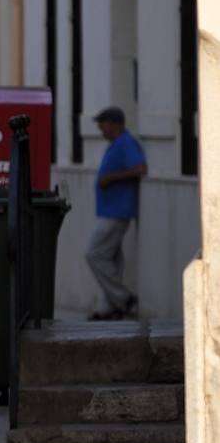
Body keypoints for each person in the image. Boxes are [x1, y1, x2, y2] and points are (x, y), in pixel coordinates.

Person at [86, 106, 147, 320]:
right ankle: (108, 306)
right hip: (111, 210)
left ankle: (123, 298)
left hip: (117, 212)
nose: (101, 129)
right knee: (111, 259)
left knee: (94, 254)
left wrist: (111, 177)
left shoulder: (126, 143)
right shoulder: (116, 145)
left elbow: (140, 169)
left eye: (103, 124)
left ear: (114, 124)